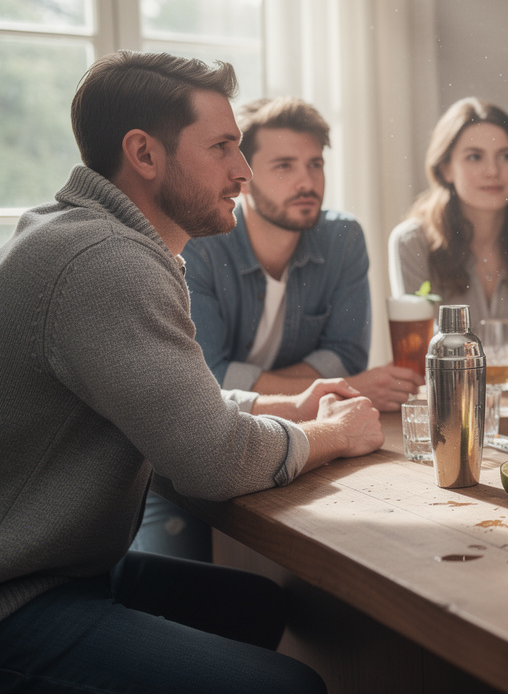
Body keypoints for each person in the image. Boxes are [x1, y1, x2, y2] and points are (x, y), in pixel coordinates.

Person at [0, 51, 384, 693]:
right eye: (223, 147)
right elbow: (215, 461)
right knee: (290, 687)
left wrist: (280, 407)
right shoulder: (107, 262)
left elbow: (168, 401)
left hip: (61, 571)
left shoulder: (80, 233)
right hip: (20, 598)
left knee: (254, 608)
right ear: (144, 154)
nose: (243, 171)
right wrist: (335, 434)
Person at [184, 97, 423, 413]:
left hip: (310, 424)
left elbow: (347, 356)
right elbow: (209, 379)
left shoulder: (342, 238)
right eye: (284, 166)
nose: (307, 183)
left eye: (315, 165)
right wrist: (341, 387)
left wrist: (249, 382)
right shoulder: (199, 248)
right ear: (242, 178)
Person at [389, 97, 508, 384]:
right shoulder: (411, 242)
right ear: (445, 168)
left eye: (506, 156)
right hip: (450, 403)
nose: (492, 171)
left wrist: (486, 366)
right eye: (474, 157)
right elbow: (430, 358)